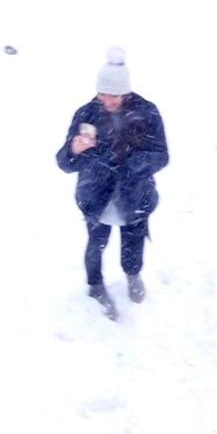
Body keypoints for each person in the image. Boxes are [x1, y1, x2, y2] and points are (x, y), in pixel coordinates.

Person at [54, 47, 171, 317]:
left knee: (133, 243)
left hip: (135, 194)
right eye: (103, 94)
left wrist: (133, 165)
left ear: (126, 92)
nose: (108, 100)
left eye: (115, 95)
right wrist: (74, 150)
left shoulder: (147, 112)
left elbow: (162, 156)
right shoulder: (86, 114)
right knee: (96, 243)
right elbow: (64, 163)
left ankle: (132, 275)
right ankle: (95, 285)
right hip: (96, 195)